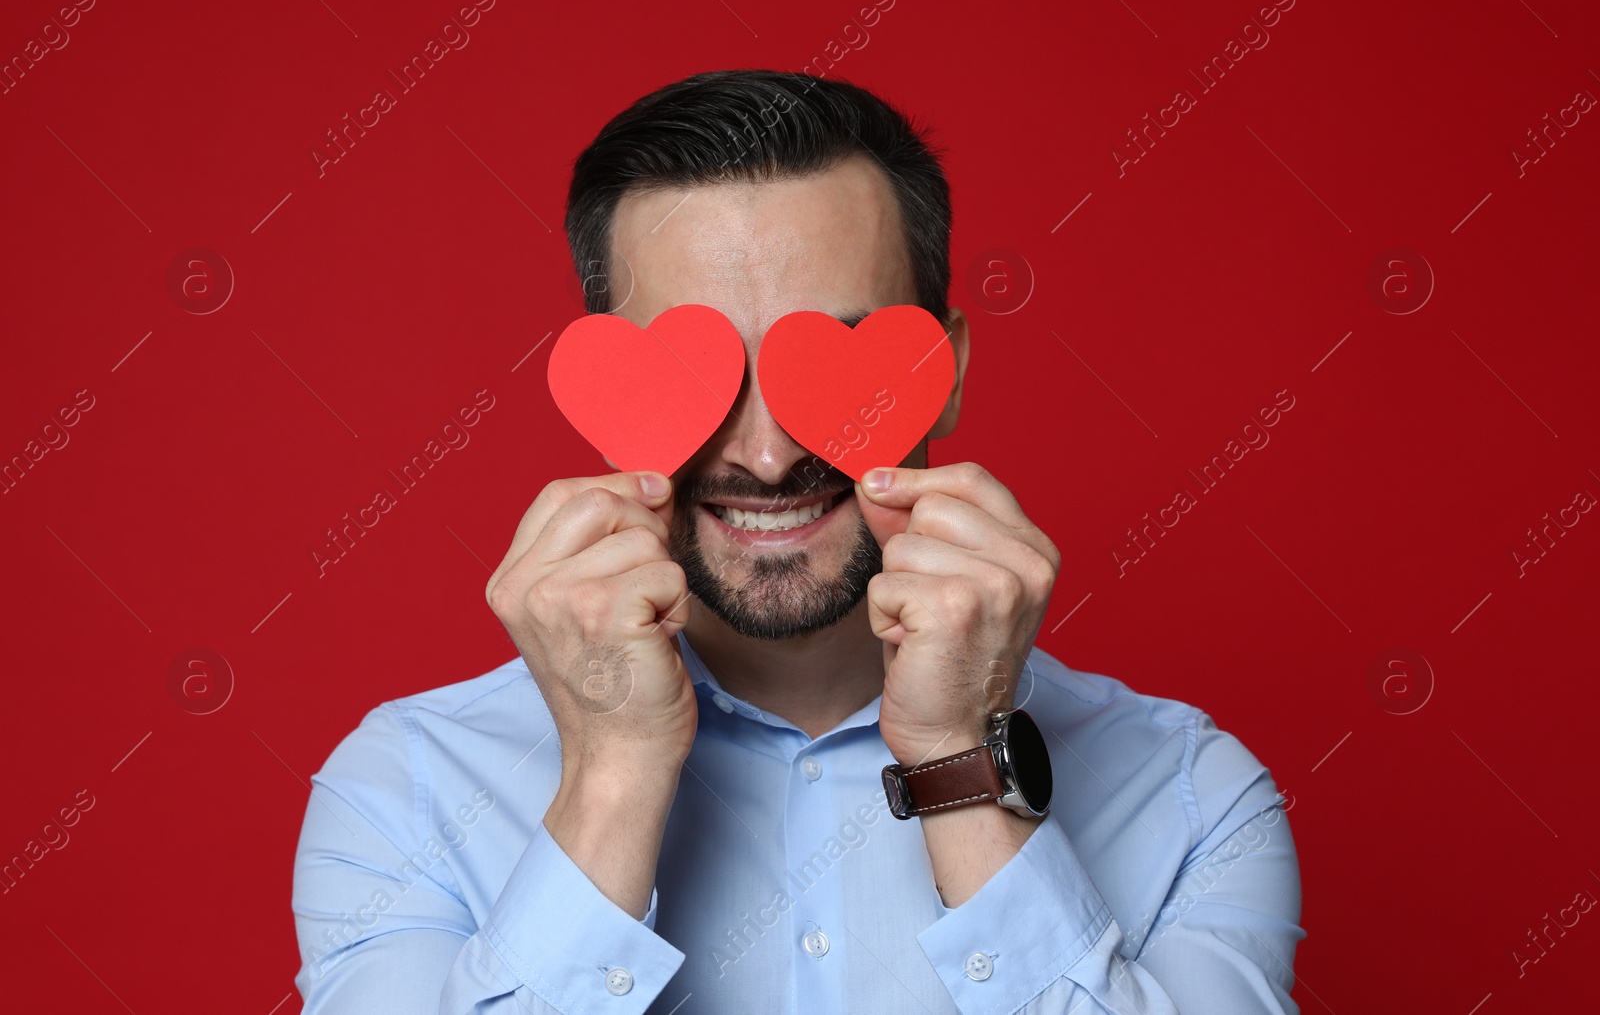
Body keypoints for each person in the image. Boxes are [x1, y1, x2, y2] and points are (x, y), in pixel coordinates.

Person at [291, 69, 1304, 1013]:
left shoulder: (1190, 796)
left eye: (838, 366)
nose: (769, 454)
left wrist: (960, 760)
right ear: (611, 392)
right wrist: (613, 768)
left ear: (944, 373)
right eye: (705, 376)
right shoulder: (407, 792)